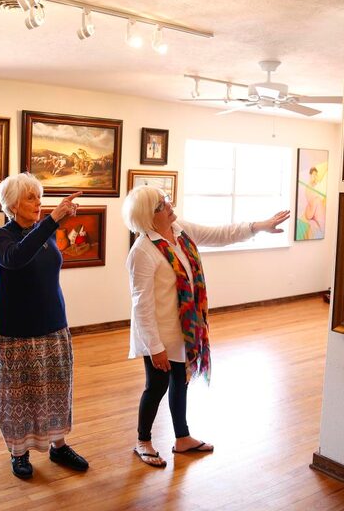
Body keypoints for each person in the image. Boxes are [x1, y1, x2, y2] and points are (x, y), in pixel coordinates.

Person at [121, 186, 291, 468]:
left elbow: (220, 234)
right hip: (159, 334)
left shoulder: (180, 230)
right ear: (151, 215)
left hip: (184, 330)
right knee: (157, 385)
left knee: (182, 381)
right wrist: (155, 347)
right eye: (164, 203)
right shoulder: (143, 251)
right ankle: (143, 441)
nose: (170, 204)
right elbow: (141, 305)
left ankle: (182, 438)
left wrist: (259, 226)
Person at [0, 172, 88, 480]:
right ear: (12, 204)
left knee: (56, 388)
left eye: (38, 197)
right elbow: (17, 258)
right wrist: (53, 220)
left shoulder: (43, 234)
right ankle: (19, 453)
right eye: (30, 197)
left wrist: (52, 224)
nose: (38, 203)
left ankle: (59, 445)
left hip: (53, 323)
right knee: (17, 394)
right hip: (15, 328)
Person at [298, 167, 325, 240]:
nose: (315, 177)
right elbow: (310, 200)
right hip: (311, 210)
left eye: (316, 175)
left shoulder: (316, 186)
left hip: (315, 209)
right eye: (313, 175)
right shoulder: (308, 187)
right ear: (310, 175)